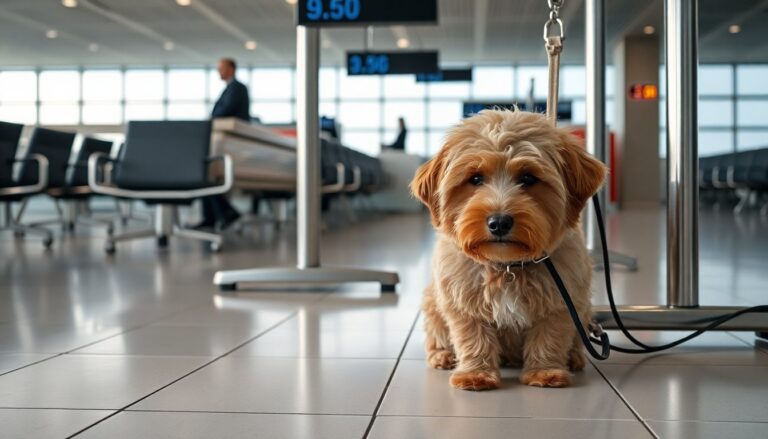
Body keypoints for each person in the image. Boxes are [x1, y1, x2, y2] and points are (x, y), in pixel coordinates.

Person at [195, 58, 249, 230]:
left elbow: (225, 111)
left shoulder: (237, 88)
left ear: (231, 68)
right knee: (204, 174)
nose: (219, 72)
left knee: (206, 173)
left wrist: (211, 120)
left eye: (222, 68)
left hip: (231, 142)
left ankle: (223, 213)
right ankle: (213, 216)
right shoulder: (230, 88)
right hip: (224, 140)